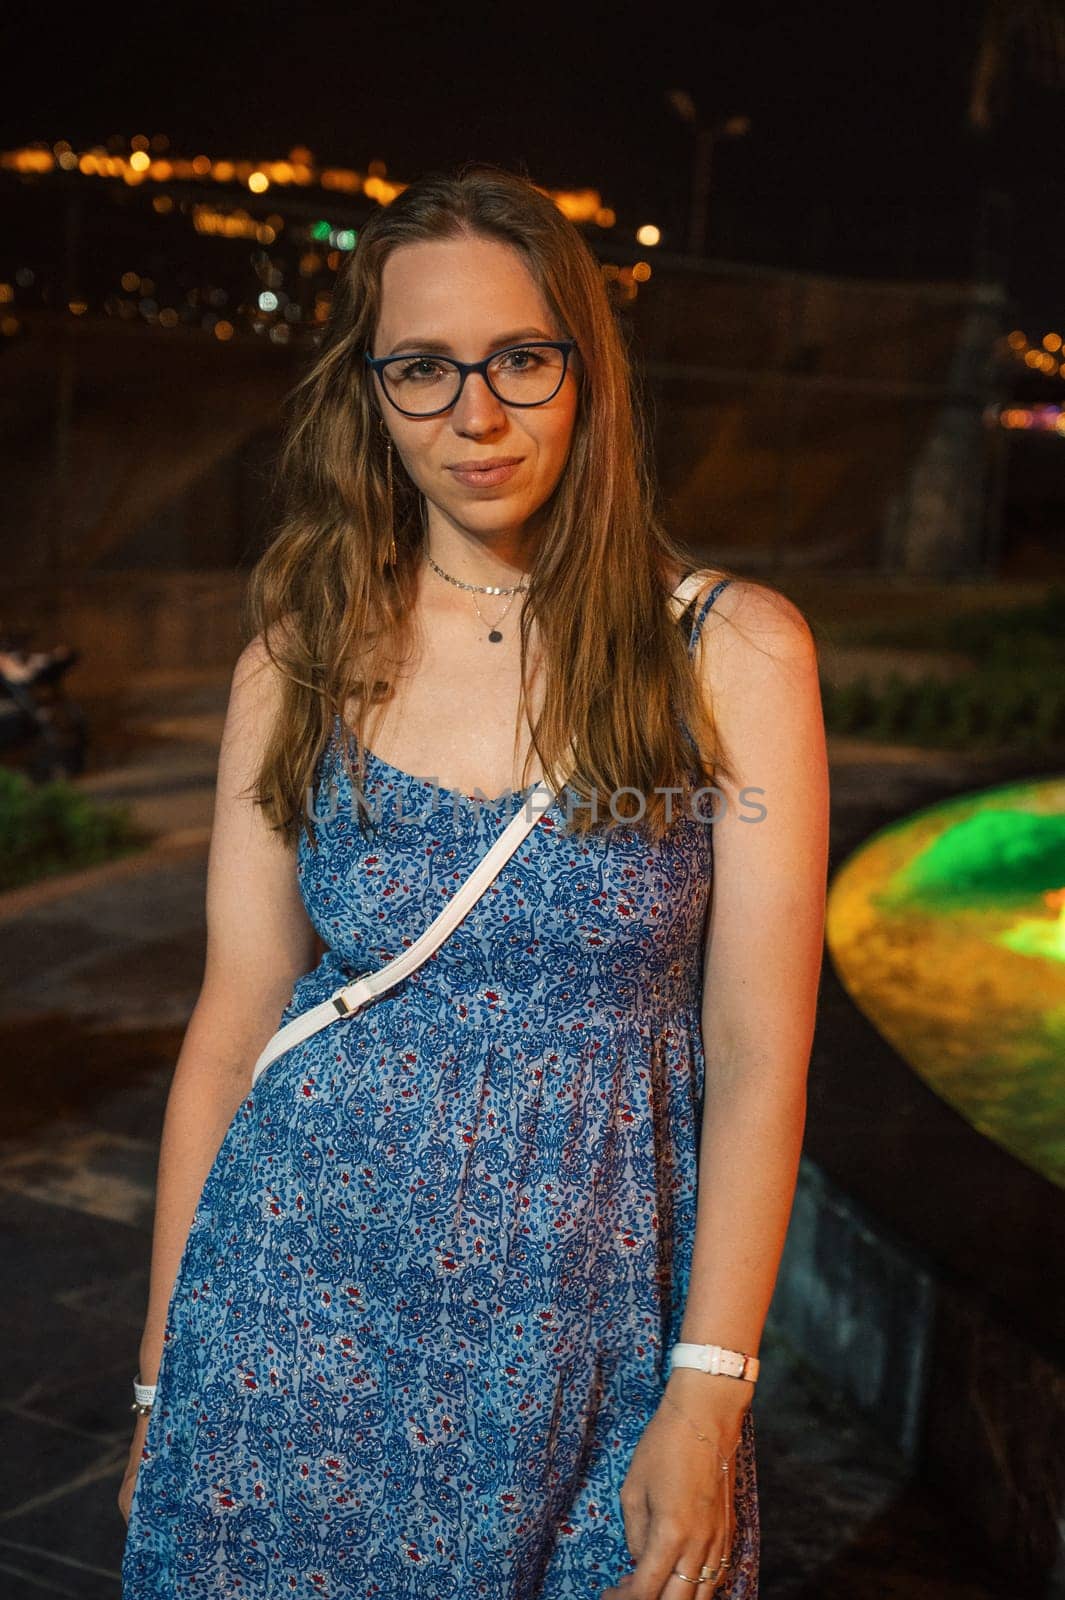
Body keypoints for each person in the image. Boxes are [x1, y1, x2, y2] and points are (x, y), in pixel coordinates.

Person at [119, 162, 828, 1600]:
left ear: (583, 365)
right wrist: (158, 1375)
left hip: (591, 1334)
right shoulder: (298, 658)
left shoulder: (731, 652)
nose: (476, 415)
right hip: (287, 1306)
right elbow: (233, 1022)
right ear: (368, 394)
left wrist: (706, 1388)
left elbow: (759, 1053)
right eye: (422, 370)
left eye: (516, 358)